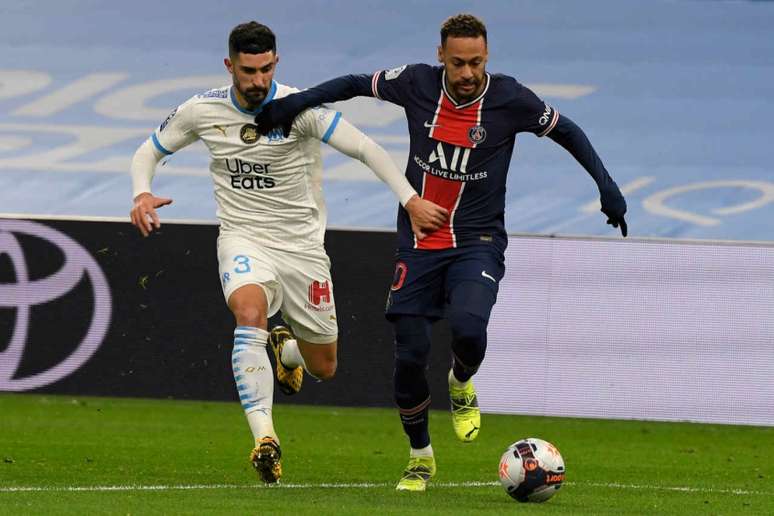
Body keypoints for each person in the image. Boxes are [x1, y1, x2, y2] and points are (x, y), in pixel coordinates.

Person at [253, 13, 628, 491]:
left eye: (475, 62)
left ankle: (461, 379)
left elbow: (567, 130)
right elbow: (352, 83)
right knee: (410, 356)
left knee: (469, 330)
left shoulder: (510, 98)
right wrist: (293, 104)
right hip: (420, 239)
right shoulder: (416, 83)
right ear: (441, 57)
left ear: (486, 56)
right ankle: (420, 457)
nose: (467, 73)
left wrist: (607, 187)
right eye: (457, 63)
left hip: (478, 241)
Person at [128, 21, 448, 484]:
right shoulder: (203, 110)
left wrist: (410, 199)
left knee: (325, 366)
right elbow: (149, 151)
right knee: (249, 312)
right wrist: (142, 193)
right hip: (243, 237)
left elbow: (366, 148)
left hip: (303, 249)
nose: (257, 81)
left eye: (265, 70)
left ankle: (288, 354)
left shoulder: (300, 109)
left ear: (276, 63)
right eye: (247, 71)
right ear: (229, 66)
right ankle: (265, 438)